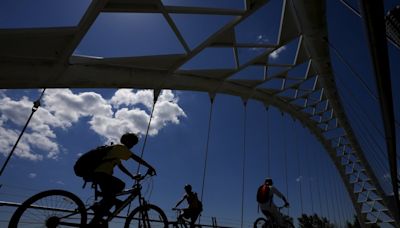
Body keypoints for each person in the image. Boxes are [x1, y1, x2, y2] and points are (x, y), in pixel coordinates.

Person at [90, 132, 156, 226]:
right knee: (120, 185)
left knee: (109, 199)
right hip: (101, 174)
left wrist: (132, 176)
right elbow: (135, 157)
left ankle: (97, 217)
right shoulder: (120, 148)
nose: (132, 145)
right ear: (127, 141)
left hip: (100, 174)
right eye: (132, 142)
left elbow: (121, 167)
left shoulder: (116, 151)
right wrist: (149, 166)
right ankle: (100, 206)